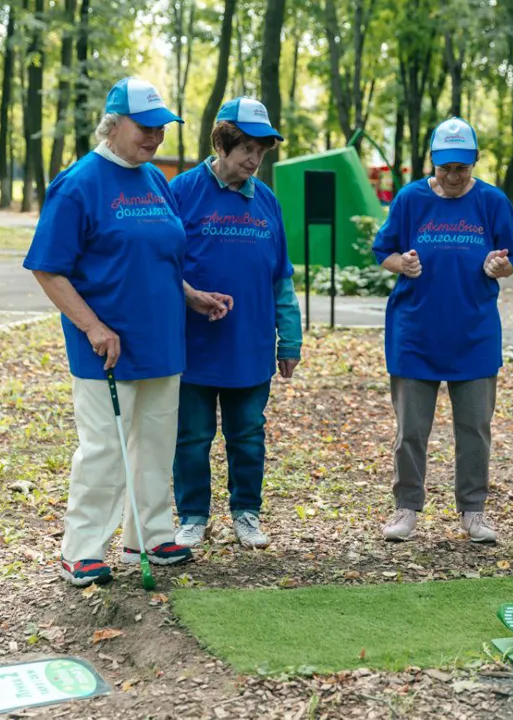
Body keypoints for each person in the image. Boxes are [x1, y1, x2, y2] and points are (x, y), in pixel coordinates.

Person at [24, 77, 232, 587]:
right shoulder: (78, 183)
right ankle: (83, 549)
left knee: (157, 442)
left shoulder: (155, 180)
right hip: (107, 348)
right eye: (146, 128)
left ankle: (149, 534)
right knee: (105, 447)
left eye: (162, 128)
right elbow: (49, 269)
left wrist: (190, 294)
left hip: (163, 341)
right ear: (113, 125)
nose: (156, 138)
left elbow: (158, 257)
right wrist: (92, 326)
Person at [373, 117, 513, 544]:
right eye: (445, 168)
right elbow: (384, 250)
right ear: (433, 164)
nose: (454, 177)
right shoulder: (410, 199)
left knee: (475, 428)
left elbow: (511, 257)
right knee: (411, 431)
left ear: (474, 162)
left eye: (462, 167)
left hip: (473, 334)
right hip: (415, 333)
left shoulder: (493, 202)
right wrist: (401, 263)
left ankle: (473, 511)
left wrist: (500, 266)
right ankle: (406, 507)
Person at [170, 97, 301, 550]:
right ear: (223, 144)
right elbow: (161, 264)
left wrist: (291, 338)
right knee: (191, 437)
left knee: (247, 435)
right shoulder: (182, 191)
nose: (254, 159)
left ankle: (246, 512)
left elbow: (281, 276)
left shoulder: (266, 201)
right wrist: (190, 296)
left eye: (261, 151)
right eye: (247, 148)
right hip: (192, 345)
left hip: (251, 345)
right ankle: (192, 516)